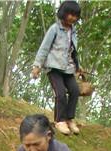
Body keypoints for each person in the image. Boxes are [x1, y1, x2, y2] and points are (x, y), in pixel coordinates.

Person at [32, 1, 83, 136]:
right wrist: (37, 66)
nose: (72, 18)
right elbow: (44, 48)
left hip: (68, 68)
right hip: (54, 68)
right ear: (63, 14)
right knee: (60, 94)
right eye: (70, 14)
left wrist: (78, 67)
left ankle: (69, 118)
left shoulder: (73, 31)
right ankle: (59, 120)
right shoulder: (54, 29)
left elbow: (73, 51)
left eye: (75, 15)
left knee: (75, 91)